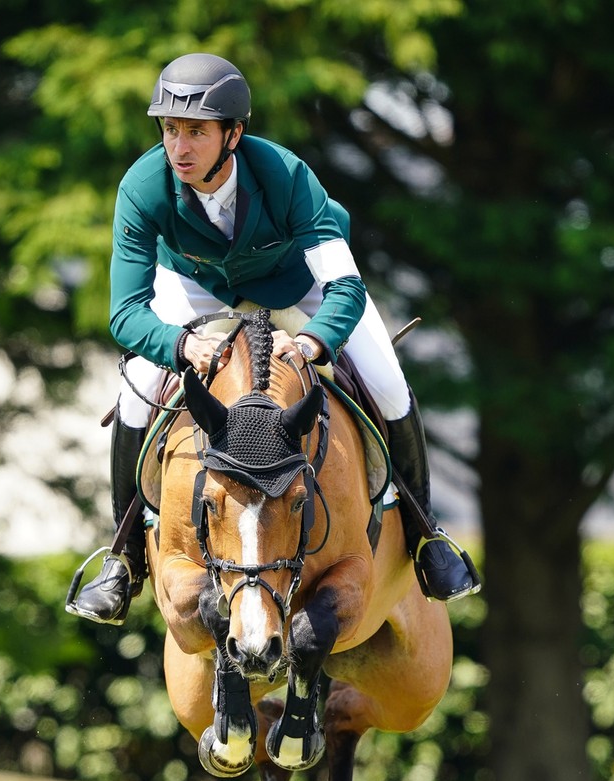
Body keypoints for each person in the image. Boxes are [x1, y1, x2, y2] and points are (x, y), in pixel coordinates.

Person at [72, 52, 480, 625]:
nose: (179, 148)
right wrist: (180, 345)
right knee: (137, 389)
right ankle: (124, 561)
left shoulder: (286, 175)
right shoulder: (143, 188)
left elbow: (345, 287)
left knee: (387, 381)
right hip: (197, 288)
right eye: (169, 130)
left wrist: (315, 341)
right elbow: (125, 313)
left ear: (233, 133)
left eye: (196, 131)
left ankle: (425, 536)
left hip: (300, 285)